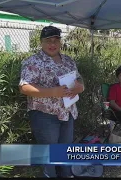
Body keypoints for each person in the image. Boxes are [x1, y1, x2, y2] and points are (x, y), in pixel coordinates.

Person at [19, 26, 84, 178]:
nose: (52, 44)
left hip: (67, 112)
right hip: (45, 115)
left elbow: (78, 79)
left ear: (60, 42)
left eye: (56, 40)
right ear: (41, 42)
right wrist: (54, 92)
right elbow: (24, 87)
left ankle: (67, 175)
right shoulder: (33, 61)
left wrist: (80, 87)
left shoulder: (68, 60)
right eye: (48, 40)